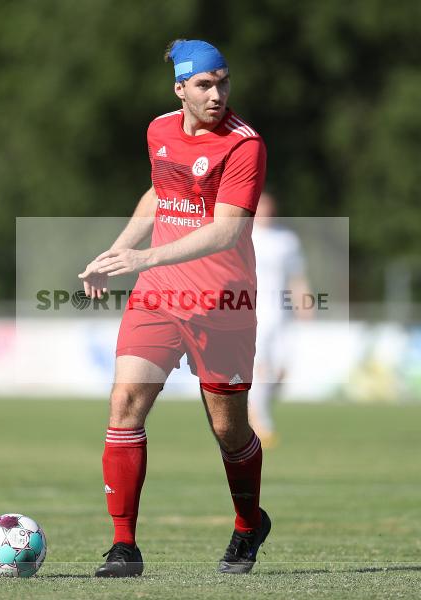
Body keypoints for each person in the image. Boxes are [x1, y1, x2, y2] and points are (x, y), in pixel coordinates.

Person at [78, 39, 270, 577]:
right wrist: (120, 253)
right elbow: (160, 196)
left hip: (221, 305)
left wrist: (146, 254)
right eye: (205, 84)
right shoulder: (159, 131)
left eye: (224, 82)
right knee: (124, 409)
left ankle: (248, 524)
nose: (218, 93)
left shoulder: (244, 144)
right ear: (180, 88)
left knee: (228, 430)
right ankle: (123, 547)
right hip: (159, 295)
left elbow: (228, 228)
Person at [250, 191, 313, 448]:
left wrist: (305, 303)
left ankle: (253, 408)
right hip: (252, 312)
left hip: (281, 313)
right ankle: (261, 424)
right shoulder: (242, 235)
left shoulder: (286, 240)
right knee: (260, 369)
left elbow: (297, 276)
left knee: (281, 373)